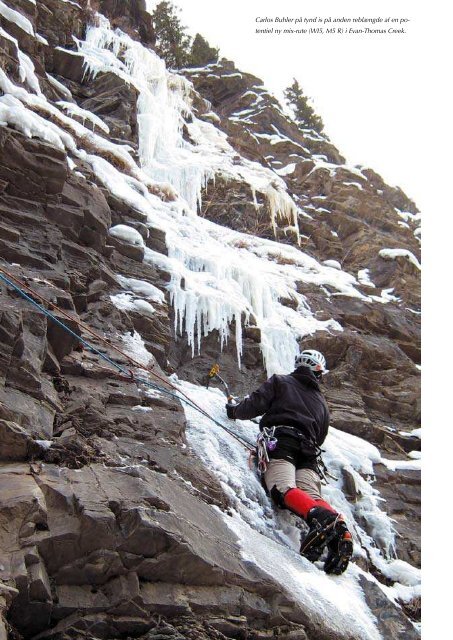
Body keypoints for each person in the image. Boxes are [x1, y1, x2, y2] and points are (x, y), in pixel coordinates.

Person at [225, 349, 353, 575]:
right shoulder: (321, 403)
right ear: (318, 371)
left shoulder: (280, 382)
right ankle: (340, 530)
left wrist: (233, 411)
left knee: (282, 488)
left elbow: (254, 404)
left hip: (282, 442)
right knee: (311, 495)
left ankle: (320, 519)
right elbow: (321, 435)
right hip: (310, 452)